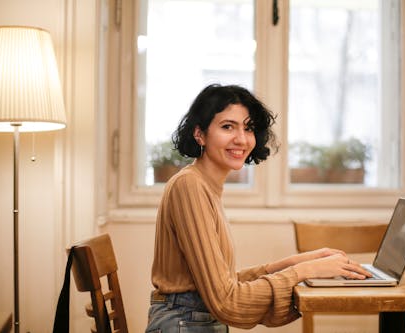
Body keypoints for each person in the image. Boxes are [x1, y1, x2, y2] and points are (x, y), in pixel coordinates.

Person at [145, 84, 371, 333]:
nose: (241, 138)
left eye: (248, 127)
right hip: (183, 325)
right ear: (200, 134)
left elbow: (224, 283)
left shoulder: (204, 185)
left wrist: (300, 261)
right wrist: (305, 271)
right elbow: (227, 301)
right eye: (227, 126)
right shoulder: (189, 186)